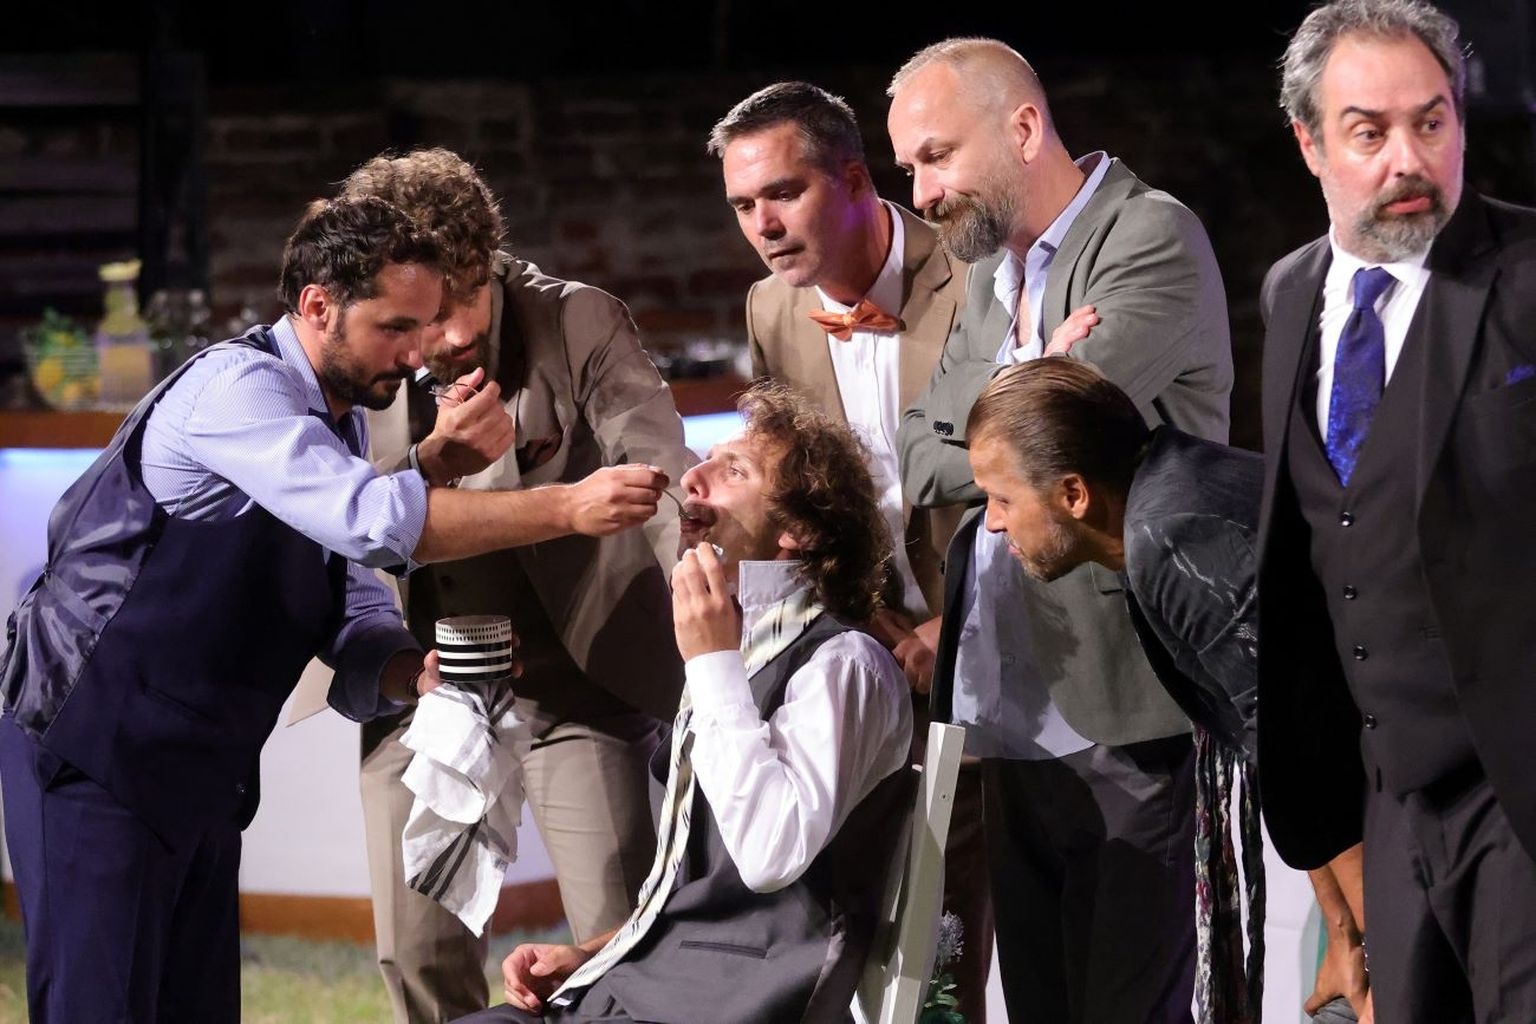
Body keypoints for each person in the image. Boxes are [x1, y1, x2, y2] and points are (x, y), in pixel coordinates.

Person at [0, 193, 668, 1024]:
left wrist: (411, 673)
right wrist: (564, 506)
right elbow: (371, 522)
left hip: (198, 772)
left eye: (426, 326)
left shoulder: (339, 425)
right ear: (318, 306)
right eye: (396, 327)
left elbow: (347, 603)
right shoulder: (237, 390)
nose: (419, 354)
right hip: (95, 747)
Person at [307, 148, 697, 1023]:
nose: (449, 336)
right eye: (425, 312)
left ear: (494, 262)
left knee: (622, 945)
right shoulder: (348, 354)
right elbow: (338, 517)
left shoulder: (578, 320)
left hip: (576, 680)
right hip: (424, 686)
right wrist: (430, 460)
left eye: (468, 297)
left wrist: (713, 612)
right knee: (417, 955)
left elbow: (663, 472)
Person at [887, 37, 1233, 1022]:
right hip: (1010, 699)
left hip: (1131, 703)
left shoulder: (1149, 235)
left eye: (937, 156)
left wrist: (1009, 409)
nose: (921, 191)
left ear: (1024, 127)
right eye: (910, 167)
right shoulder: (989, 277)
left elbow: (1043, 449)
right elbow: (917, 459)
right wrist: (1033, 366)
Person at [452, 381, 914, 1023]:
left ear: (801, 530)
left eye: (734, 471)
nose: (692, 476)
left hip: (741, 1002)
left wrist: (712, 663)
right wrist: (591, 953)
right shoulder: (736, 654)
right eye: (707, 460)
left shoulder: (844, 664)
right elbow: (695, 890)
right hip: (659, 984)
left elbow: (769, 858)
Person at [1258, 1, 1536, 1020]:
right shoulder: (1291, 294)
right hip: (1388, 802)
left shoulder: (1528, 275)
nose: (1409, 159)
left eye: (1432, 122)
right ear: (1311, 144)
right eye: (1370, 132)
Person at [967, 357, 1381, 1024]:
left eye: (1003, 499)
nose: (992, 522)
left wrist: (1387, 963)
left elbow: (1316, 762)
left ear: (1073, 493)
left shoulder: (1173, 532)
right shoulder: (1161, 496)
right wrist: (1344, 936)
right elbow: (1285, 756)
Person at [708, 81, 991, 1015]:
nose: (763, 224)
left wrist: (960, 624)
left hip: (1005, 644)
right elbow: (804, 496)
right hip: (867, 662)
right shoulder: (771, 309)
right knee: (891, 959)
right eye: (743, 205)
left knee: (1001, 949)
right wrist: (866, 620)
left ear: (858, 180)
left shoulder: (979, 276)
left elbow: (1034, 472)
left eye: (783, 193)